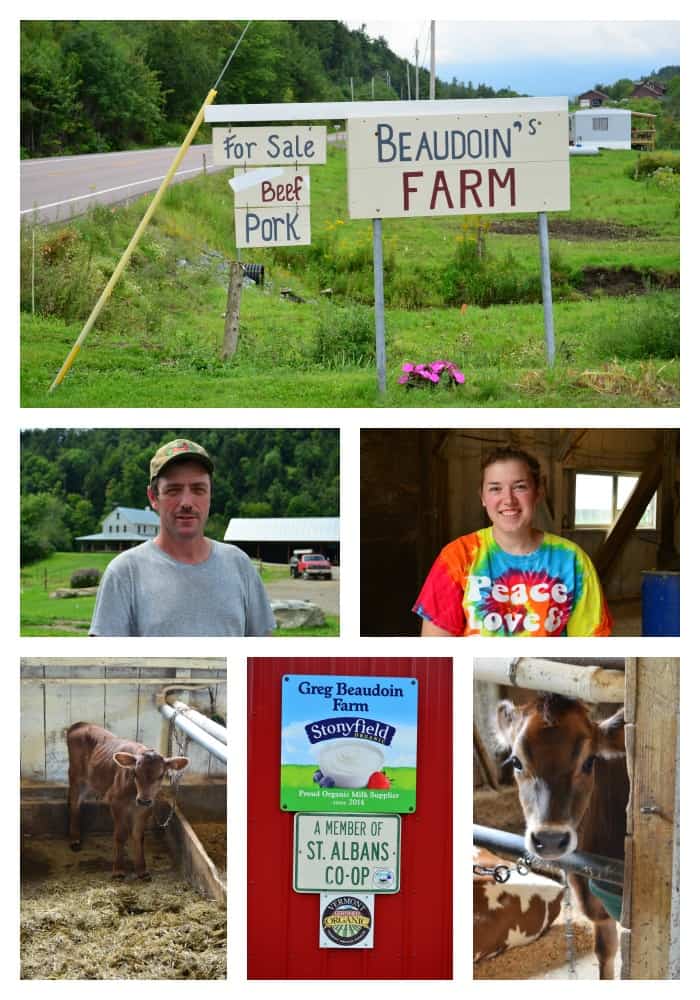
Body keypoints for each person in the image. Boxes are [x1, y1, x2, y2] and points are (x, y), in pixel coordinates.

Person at [414, 446, 612, 637]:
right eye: (495, 489)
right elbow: (435, 648)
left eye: (520, 487)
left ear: (538, 493)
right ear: (482, 497)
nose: (508, 499)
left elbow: (590, 645)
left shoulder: (572, 560)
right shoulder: (457, 557)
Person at [90, 439, 276, 636]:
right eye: (173, 490)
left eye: (198, 490)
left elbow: (261, 658)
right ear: (153, 497)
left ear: (210, 495)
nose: (187, 502)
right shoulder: (124, 573)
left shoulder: (240, 565)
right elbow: (106, 664)